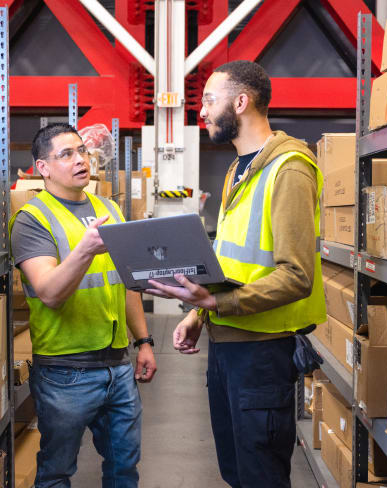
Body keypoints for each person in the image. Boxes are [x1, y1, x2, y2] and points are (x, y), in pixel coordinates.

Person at [145, 60, 326, 487]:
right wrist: (199, 315)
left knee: (260, 476)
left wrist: (217, 302)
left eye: (210, 100)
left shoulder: (289, 169)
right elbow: (232, 262)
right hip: (227, 348)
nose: (202, 112)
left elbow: (296, 275)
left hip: (263, 355)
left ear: (241, 102)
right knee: (235, 471)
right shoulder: (237, 171)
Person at [9, 123, 157, 488]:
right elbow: (49, 292)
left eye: (82, 151)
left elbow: (127, 284)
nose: (80, 160)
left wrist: (144, 342)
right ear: (42, 167)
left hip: (118, 366)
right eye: (66, 154)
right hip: (65, 371)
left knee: (124, 467)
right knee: (57, 473)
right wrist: (86, 250)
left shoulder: (108, 209)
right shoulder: (32, 220)